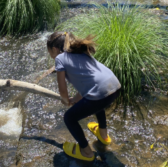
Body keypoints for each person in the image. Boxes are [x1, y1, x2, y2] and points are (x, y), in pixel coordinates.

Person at [47, 32, 121, 161]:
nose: (51, 56)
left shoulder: (60, 58)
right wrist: (75, 99)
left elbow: (62, 87)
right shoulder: (80, 52)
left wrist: (65, 100)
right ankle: (103, 136)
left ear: (54, 49)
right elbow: (90, 83)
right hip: (114, 86)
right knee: (97, 102)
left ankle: (86, 152)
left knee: (69, 118)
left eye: (49, 52)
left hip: (100, 92)